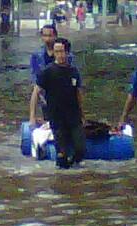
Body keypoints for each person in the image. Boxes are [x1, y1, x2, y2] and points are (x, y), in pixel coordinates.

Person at [37, 38, 86, 168]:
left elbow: (79, 94)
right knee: (61, 154)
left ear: (67, 53)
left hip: (73, 116)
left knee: (80, 149)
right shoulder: (47, 72)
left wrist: (83, 115)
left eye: (62, 51)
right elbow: (37, 92)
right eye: (56, 51)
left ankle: (74, 169)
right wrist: (35, 115)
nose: (59, 55)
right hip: (56, 117)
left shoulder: (73, 71)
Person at [29, 25, 75, 126]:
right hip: (46, 96)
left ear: (55, 36)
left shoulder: (68, 56)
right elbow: (35, 82)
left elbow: (73, 79)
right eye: (45, 35)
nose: (47, 39)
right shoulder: (37, 56)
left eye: (50, 35)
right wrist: (32, 116)